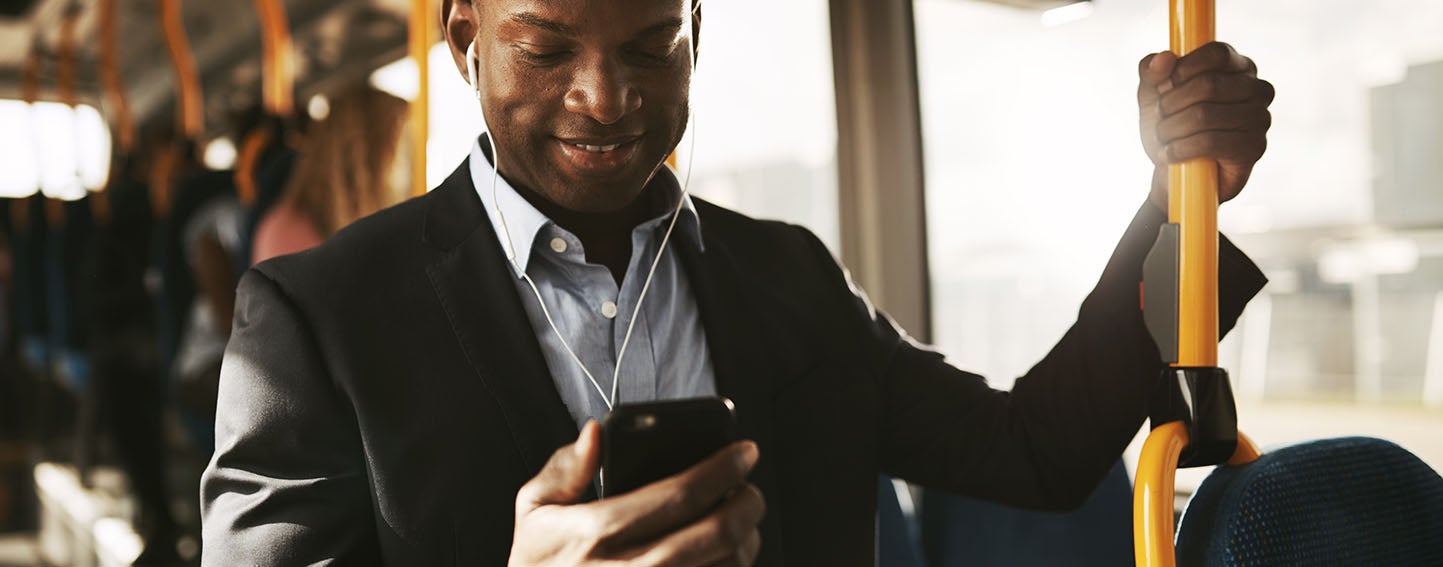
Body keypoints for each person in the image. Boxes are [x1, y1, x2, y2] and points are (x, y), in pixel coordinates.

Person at [200, 1, 1275, 565]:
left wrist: (1181, 200)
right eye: (545, 50)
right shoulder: (317, 320)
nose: (606, 98)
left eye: (652, 49)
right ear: (467, 41)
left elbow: (1031, 452)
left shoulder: (786, 276)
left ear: (696, 38)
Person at [249, 85, 412, 264]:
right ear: (369, 159)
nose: (407, 165)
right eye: (401, 151)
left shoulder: (373, 227)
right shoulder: (289, 233)